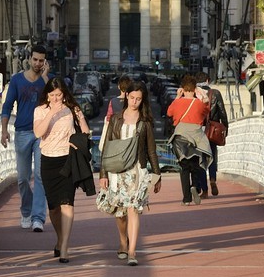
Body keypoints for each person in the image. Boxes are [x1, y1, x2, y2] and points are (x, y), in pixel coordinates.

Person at [97, 79, 162, 265]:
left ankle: (132, 251)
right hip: (117, 172)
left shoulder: (145, 122)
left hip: (137, 172)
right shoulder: (115, 119)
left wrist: (157, 175)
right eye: (132, 97)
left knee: (134, 210)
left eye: (139, 99)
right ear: (126, 96)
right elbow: (107, 148)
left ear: (143, 100)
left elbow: (151, 150)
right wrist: (103, 174)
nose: (134, 102)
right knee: (120, 213)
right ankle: (122, 241)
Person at [33, 78, 92, 263]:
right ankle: (59, 239)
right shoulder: (40, 110)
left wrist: (80, 117)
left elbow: (85, 132)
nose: (56, 98)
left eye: (59, 95)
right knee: (54, 207)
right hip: (48, 161)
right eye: (52, 95)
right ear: (47, 95)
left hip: (67, 160)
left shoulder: (72, 109)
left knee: (67, 203)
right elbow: (38, 133)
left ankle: (65, 247)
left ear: (64, 93)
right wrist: (51, 112)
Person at [0, 45, 49, 232]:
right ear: (29, 59)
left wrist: (45, 78)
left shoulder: (47, 81)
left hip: (42, 135)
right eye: (35, 59)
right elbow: (7, 106)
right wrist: (4, 130)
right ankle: (26, 212)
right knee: (23, 178)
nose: (37, 63)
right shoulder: (17, 80)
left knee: (40, 176)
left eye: (41, 60)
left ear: (45, 62)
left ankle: (38, 218)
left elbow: (55, 102)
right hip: (22, 132)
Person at [166, 76, 211, 205]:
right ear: (194, 88)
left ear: (182, 89)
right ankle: (195, 187)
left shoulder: (177, 102)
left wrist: (177, 97)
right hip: (196, 137)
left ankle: (186, 199)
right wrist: (203, 96)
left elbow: (169, 113)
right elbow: (206, 111)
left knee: (184, 167)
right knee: (196, 165)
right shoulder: (198, 103)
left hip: (180, 137)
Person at [199, 81, 229, 197]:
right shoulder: (215, 93)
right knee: (212, 156)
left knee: (201, 160)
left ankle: (204, 190)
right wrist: (225, 128)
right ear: (207, 81)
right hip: (212, 131)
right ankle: (212, 179)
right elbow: (222, 112)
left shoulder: (196, 95)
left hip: (199, 131)